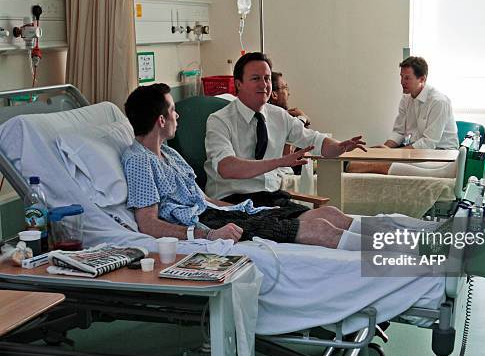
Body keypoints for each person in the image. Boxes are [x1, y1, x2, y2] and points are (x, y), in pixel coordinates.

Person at [121, 83, 364, 249]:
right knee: (320, 229)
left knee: (329, 214)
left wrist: (243, 210)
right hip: (206, 223)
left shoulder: (169, 154)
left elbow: (204, 198)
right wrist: (208, 235)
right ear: (161, 120)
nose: (178, 116)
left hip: (220, 212)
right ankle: (390, 259)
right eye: (173, 111)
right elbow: (148, 224)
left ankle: (394, 242)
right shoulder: (140, 161)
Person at [204, 52, 366, 209]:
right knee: (319, 228)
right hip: (232, 202)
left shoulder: (278, 115)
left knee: (331, 215)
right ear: (238, 84)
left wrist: (339, 147)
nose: (264, 84)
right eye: (255, 79)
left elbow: (314, 140)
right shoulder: (219, 120)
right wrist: (280, 162)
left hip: (270, 197)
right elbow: (226, 168)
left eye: (267, 78)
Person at [347, 56, 458, 175]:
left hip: (441, 155)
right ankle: (348, 165)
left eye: (407, 78)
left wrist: (393, 154)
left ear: (422, 79)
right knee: (368, 156)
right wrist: (384, 150)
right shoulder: (406, 98)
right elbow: (399, 132)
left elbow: (428, 143)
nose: (402, 82)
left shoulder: (438, 102)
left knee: (376, 166)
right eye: (401, 77)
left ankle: (349, 167)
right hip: (418, 151)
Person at [270, 71, 310, 175]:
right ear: (274, 94)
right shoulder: (275, 118)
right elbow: (287, 155)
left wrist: (303, 121)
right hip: (292, 171)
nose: (289, 93)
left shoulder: (285, 117)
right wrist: (302, 119)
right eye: (285, 88)